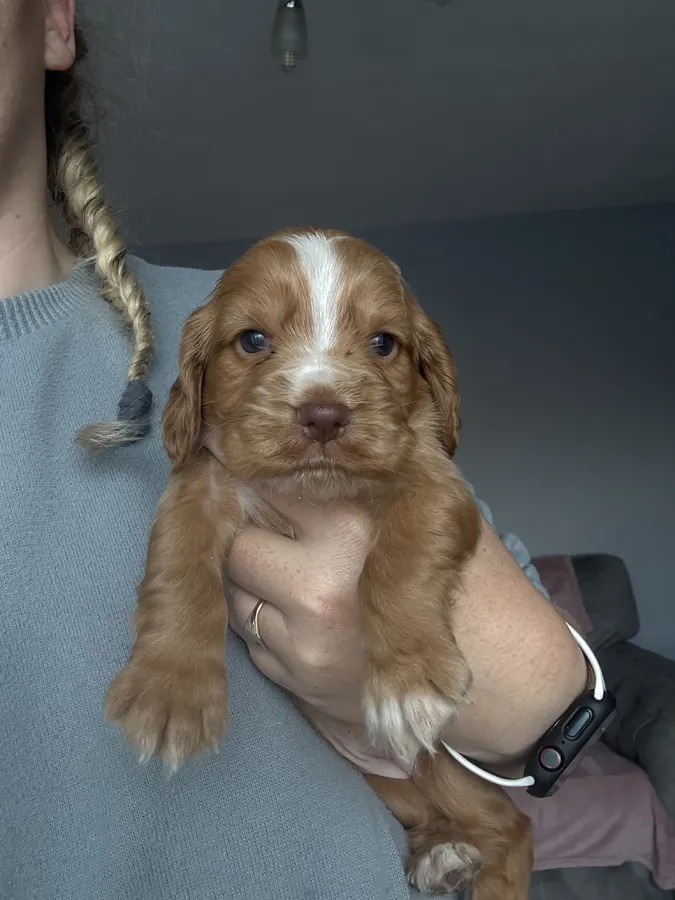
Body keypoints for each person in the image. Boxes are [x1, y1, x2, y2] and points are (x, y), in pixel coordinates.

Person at [0, 2, 586, 899]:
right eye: (257, 344)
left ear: (52, 21)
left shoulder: (191, 316)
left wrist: (452, 652)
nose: (320, 393)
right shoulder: (208, 360)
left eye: (379, 346)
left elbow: (544, 699)